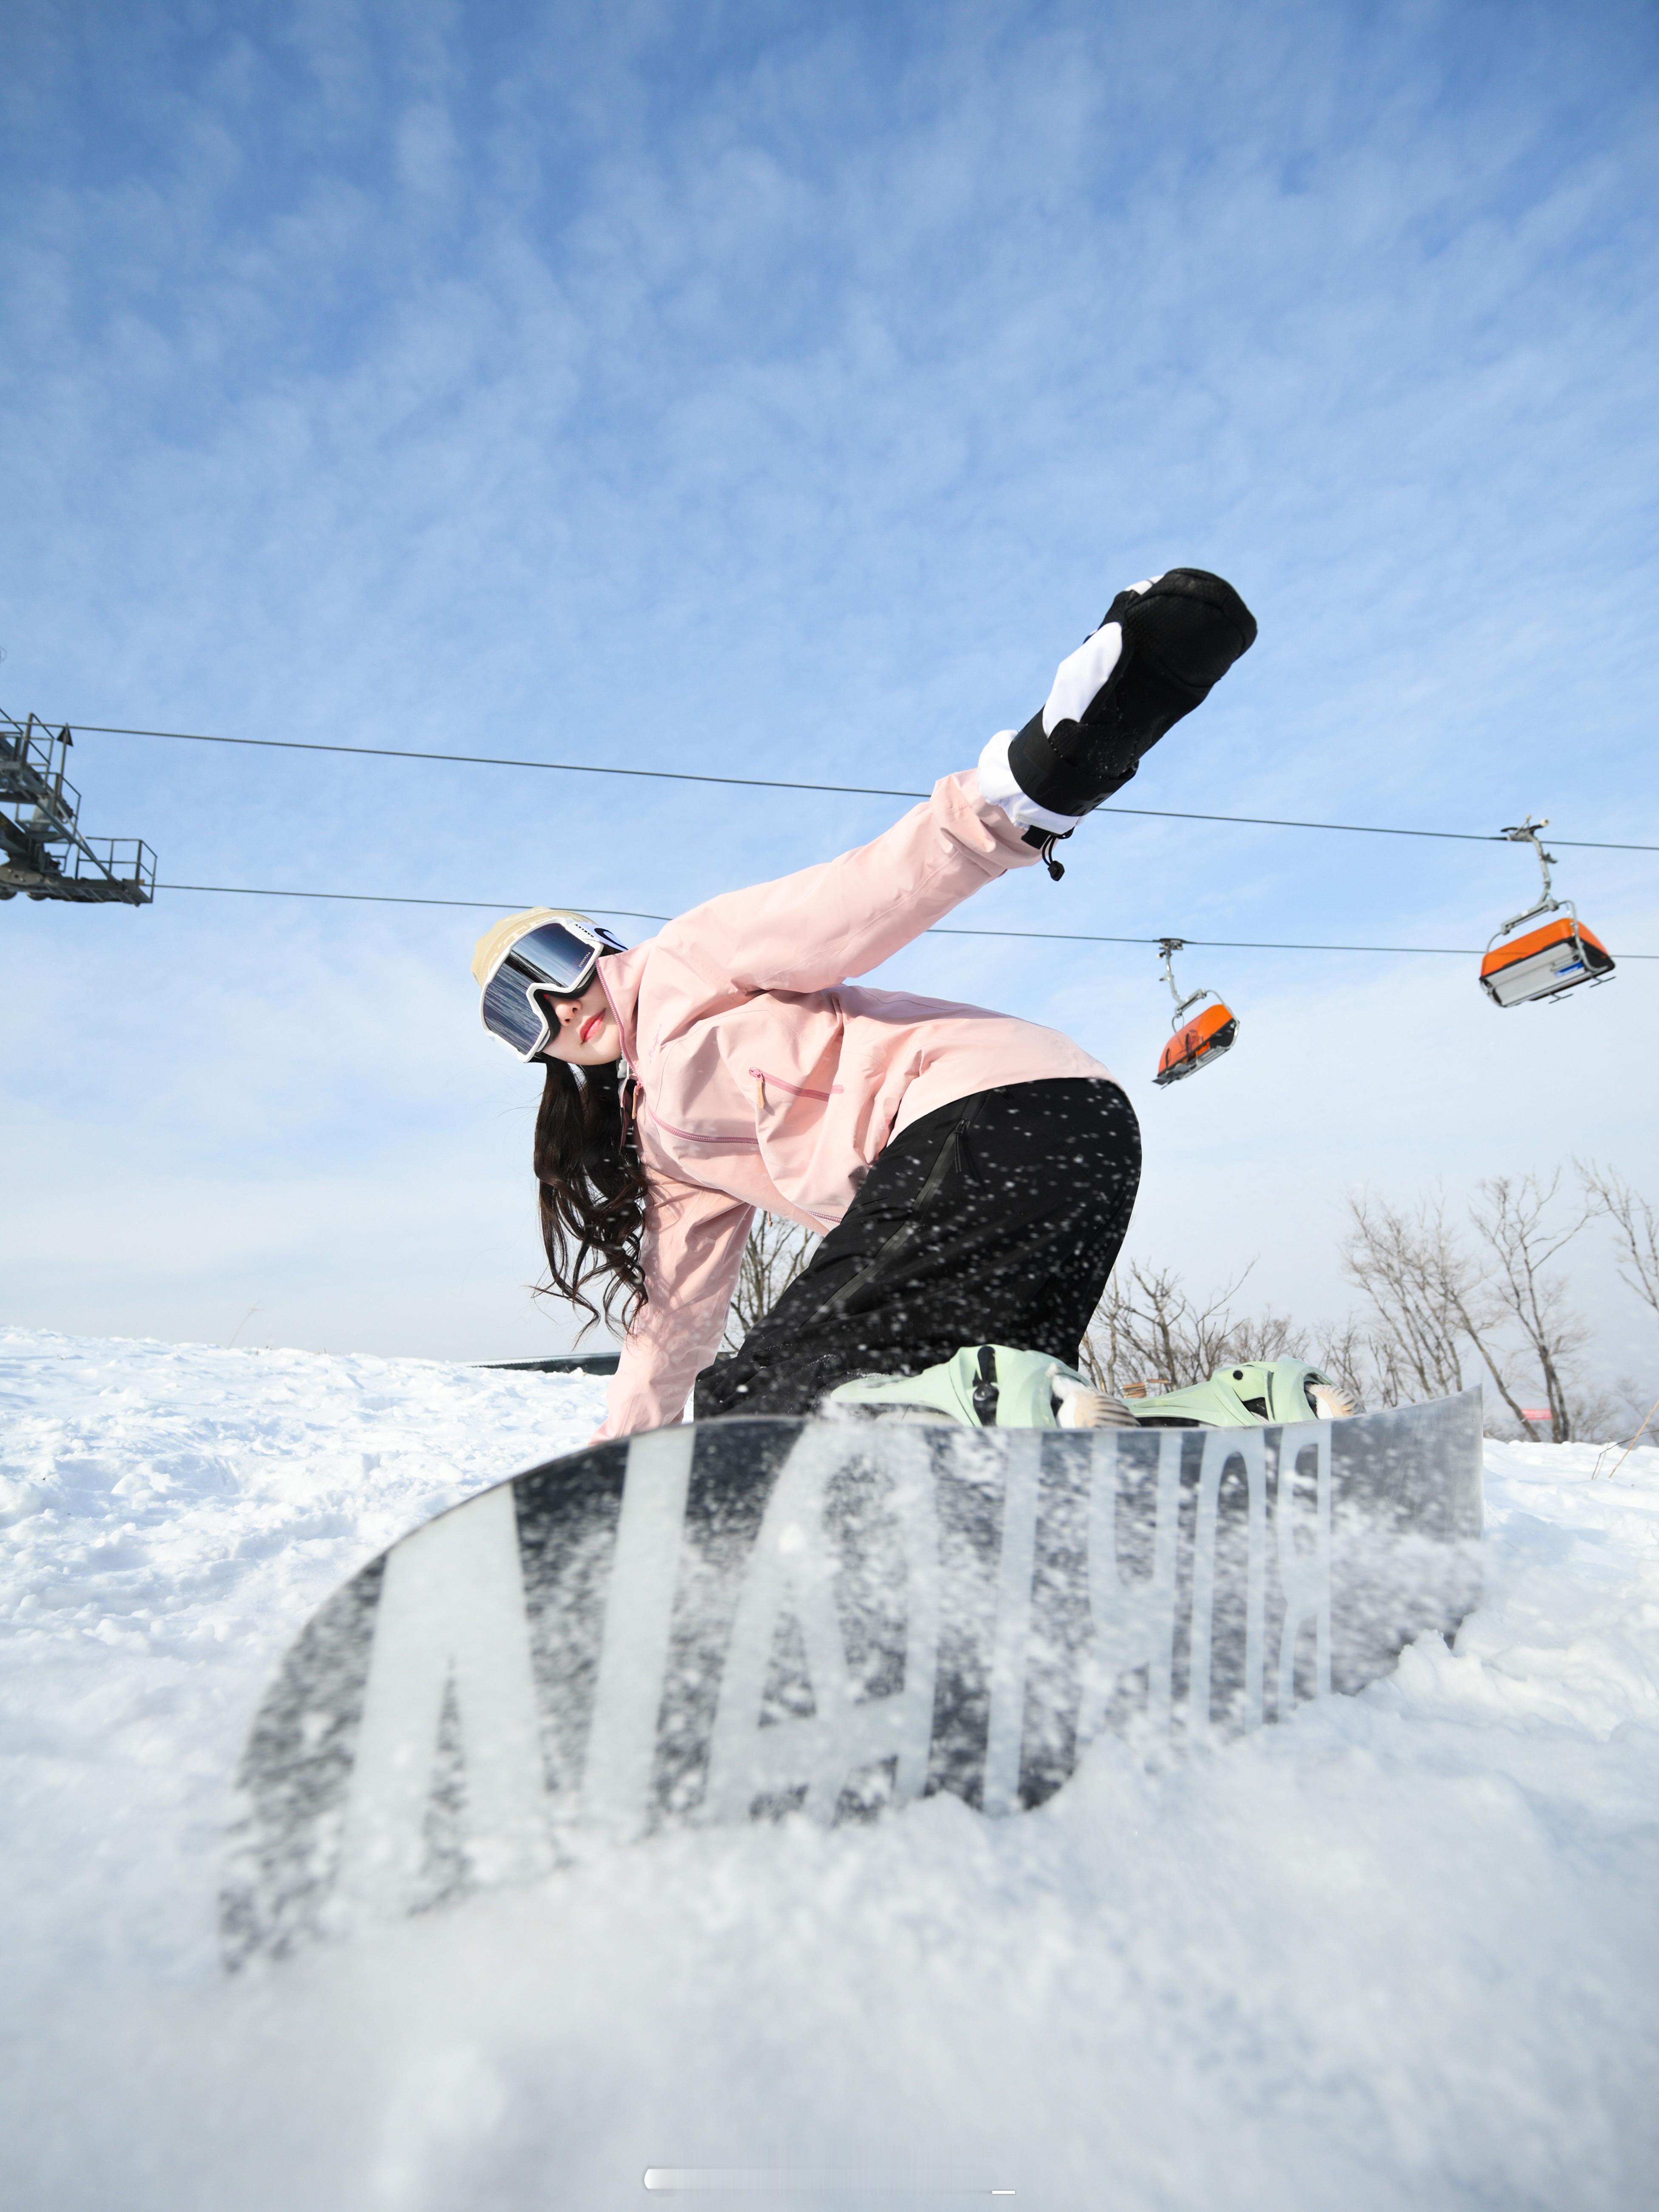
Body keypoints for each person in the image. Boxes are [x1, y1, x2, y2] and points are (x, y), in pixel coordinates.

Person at [473, 569, 1257, 1440]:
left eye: (550, 958)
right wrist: (621, 1462)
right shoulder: (669, 1147)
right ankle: (1211, 1426)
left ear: (599, 943)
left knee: (766, 1411)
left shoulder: (685, 962)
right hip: (1080, 1147)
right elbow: (674, 1319)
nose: (557, 1002)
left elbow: (850, 905)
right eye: (517, 1007)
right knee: (994, 1425)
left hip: (988, 1125)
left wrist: (1023, 794)